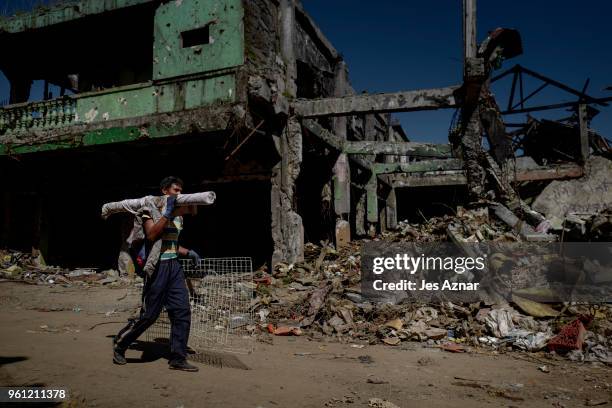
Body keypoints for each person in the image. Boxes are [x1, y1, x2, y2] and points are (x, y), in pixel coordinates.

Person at [113, 176, 201, 372]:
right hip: (158, 266)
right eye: (175, 190)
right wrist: (167, 213)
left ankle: (178, 358)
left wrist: (187, 252)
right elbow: (152, 236)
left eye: (181, 190)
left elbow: (171, 243)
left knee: (182, 312)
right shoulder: (149, 209)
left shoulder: (178, 215)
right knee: (149, 315)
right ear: (164, 191)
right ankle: (121, 343)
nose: (179, 194)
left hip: (174, 267)